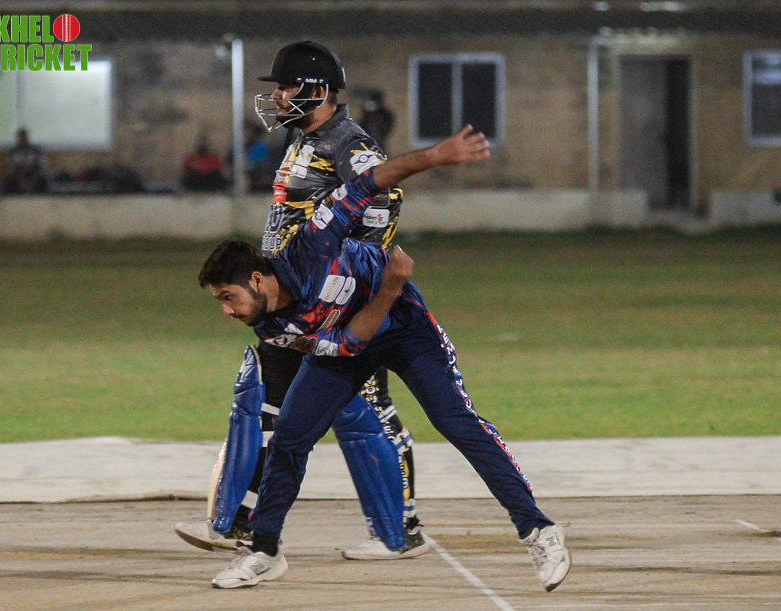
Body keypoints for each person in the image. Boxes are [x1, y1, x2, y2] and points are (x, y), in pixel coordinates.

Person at [198, 125, 571, 592]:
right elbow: (347, 347)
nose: (227, 311)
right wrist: (389, 286)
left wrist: (437, 155)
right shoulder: (268, 325)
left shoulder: (313, 242)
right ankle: (264, 551)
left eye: (228, 297)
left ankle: (538, 529)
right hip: (357, 333)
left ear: (257, 279)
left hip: (406, 330)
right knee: (290, 437)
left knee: (456, 421)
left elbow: (370, 181)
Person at [175, 40, 426, 561]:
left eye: (287, 86)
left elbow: (384, 199)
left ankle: (401, 530)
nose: (278, 96)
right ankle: (241, 521)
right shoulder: (303, 138)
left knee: (371, 411)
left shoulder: (349, 142)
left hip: (334, 305)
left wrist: (352, 286)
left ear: (318, 90)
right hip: (292, 302)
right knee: (267, 405)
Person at [4, 128, 47, 194]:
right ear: (18, 139)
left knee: (41, 180)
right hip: (18, 174)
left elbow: (41, 164)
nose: (23, 141)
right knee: (11, 180)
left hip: (33, 173)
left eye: (24, 138)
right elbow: (9, 166)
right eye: (21, 139)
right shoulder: (13, 152)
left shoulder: (35, 151)